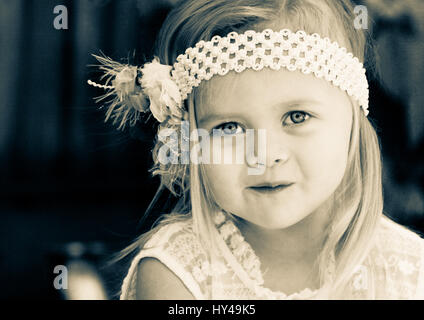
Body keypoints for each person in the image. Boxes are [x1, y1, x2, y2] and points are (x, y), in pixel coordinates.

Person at [88, 0, 424, 299]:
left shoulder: (410, 267)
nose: (264, 154)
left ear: (353, 123)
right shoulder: (177, 273)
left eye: (297, 117)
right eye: (229, 128)